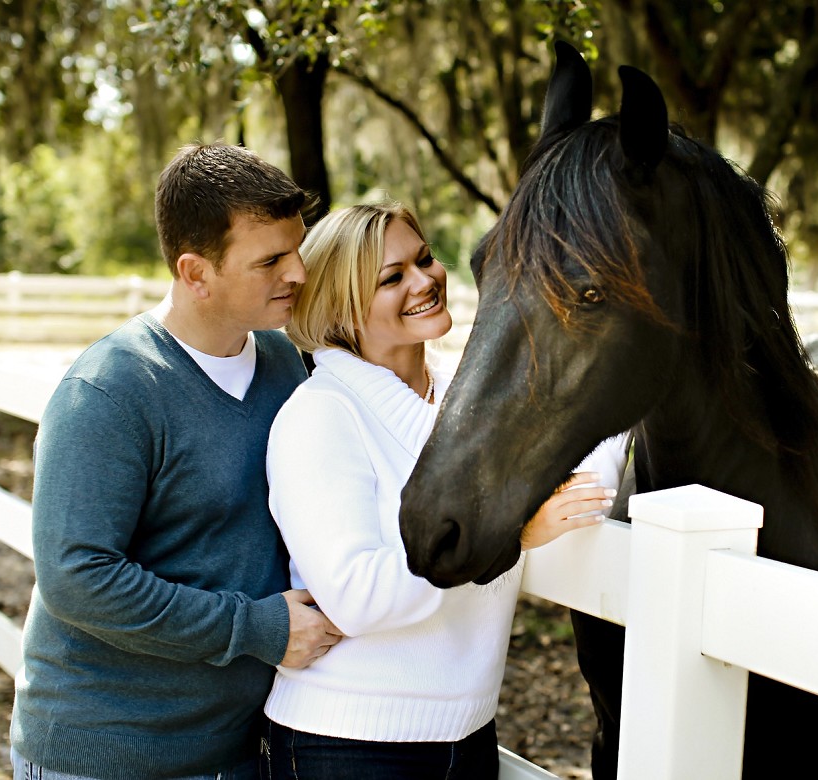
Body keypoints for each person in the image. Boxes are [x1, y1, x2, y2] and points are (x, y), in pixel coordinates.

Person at [10, 142, 343, 780]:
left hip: (235, 750)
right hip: (102, 755)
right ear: (195, 273)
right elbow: (77, 577)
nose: (298, 272)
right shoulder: (110, 390)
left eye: (296, 249)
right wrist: (256, 628)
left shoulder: (285, 365)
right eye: (269, 260)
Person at [262, 201, 627, 779]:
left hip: (469, 736)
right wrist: (513, 533)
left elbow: (587, 461)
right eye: (392, 277)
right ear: (341, 308)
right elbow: (357, 594)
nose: (425, 280)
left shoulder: (471, 402)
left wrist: (602, 429)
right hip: (348, 743)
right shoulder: (320, 416)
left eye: (424, 259)